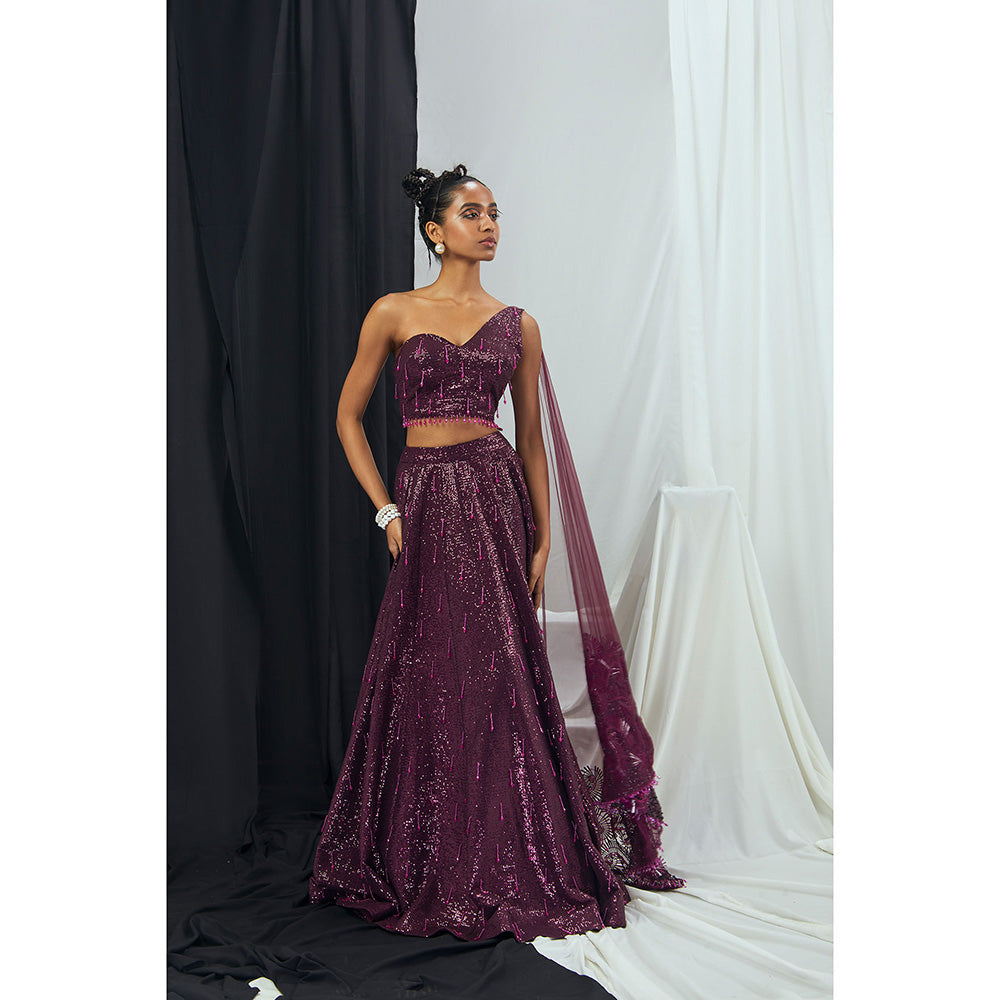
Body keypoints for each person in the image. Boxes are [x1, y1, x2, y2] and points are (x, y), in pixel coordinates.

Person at [308, 164, 684, 942]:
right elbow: (346, 417)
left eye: (494, 213)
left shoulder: (518, 324)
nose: (488, 225)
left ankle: (505, 850)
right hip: (425, 498)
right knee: (427, 664)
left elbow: (533, 442)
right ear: (435, 230)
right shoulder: (394, 311)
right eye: (471, 214)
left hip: (491, 491)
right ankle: (430, 849)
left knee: (498, 669)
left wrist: (543, 536)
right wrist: (385, 510)